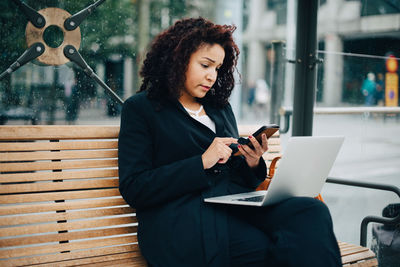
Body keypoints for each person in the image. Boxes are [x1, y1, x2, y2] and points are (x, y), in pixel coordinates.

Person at [118, 17, 341, 267]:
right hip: (182, 221)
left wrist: (252, 162)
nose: (212, 76)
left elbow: (238, 177)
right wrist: (201, 162)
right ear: (177, 58)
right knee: (277, 247)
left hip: (231, 207)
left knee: (310, 211)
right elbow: (134, 187)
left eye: (217, 68)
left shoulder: (219, 108)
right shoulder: (141, 109)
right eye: (205, 65)